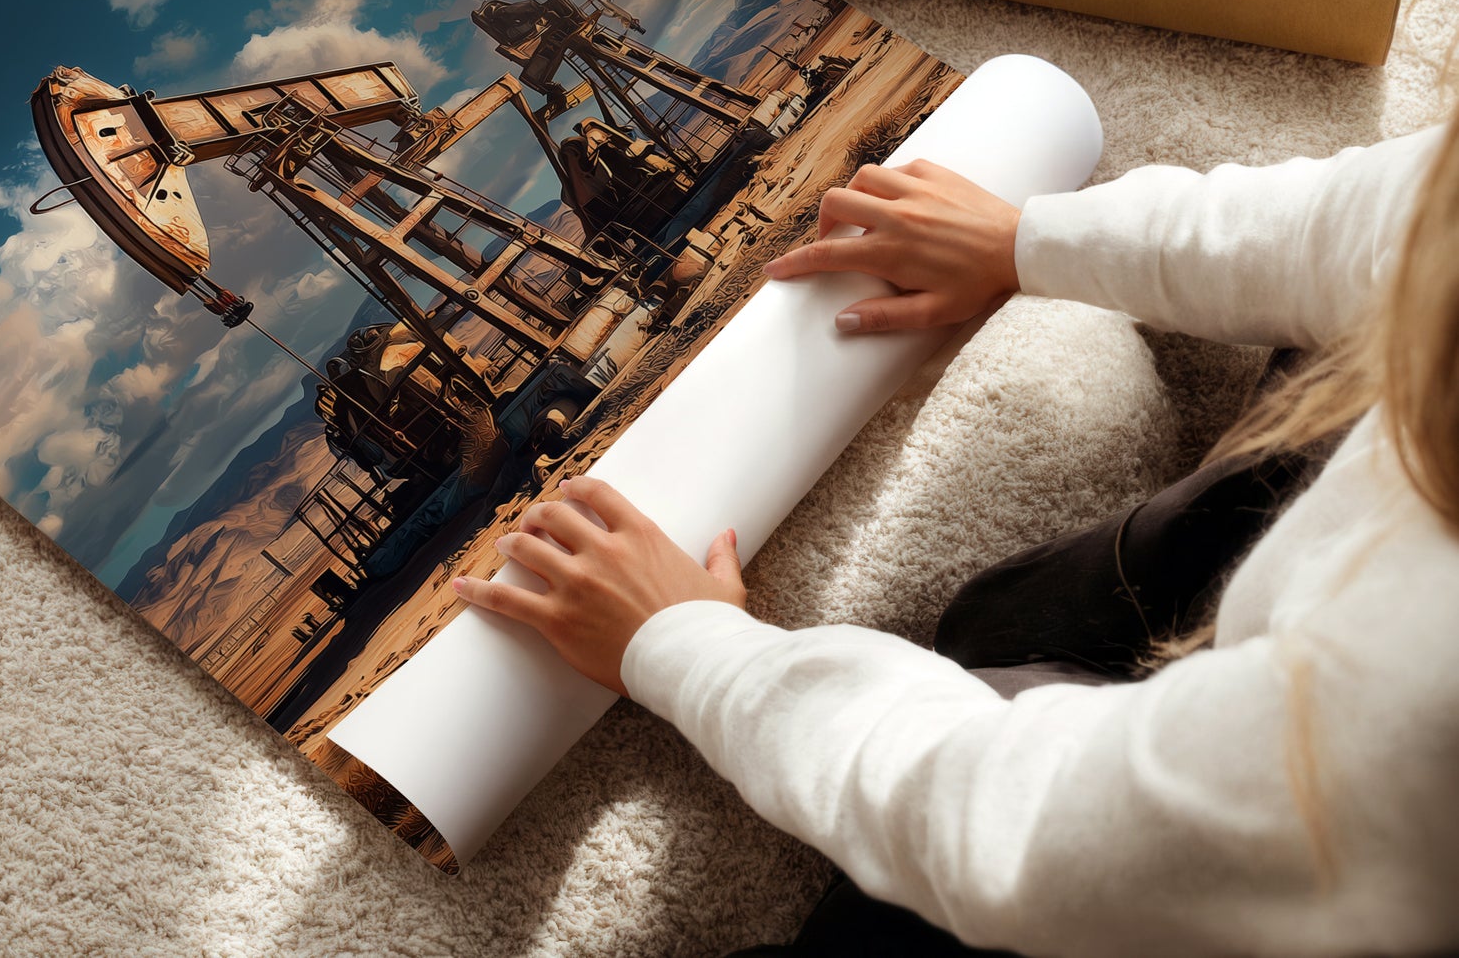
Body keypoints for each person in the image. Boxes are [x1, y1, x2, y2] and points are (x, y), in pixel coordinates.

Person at [451, 119, 1459, 956]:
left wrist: (689, 650)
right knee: (1012, 615)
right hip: (1320, 661)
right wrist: (1027, 238)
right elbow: (1392, 217)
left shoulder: (1408, 711)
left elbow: (1026, 832)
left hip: (1311, 861)